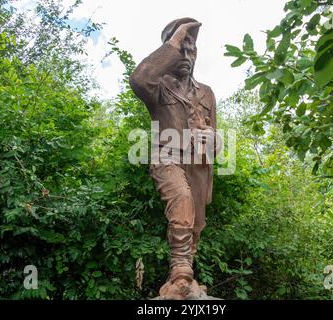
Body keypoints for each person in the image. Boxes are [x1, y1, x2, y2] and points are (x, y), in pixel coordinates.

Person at [129, 17, 221, 299]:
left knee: (195, 223)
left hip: (198, 163)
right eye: (179, 48)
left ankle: (184, 279)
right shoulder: (158, 86)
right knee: (180, 200)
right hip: (166, 156)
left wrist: (213, 140)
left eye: (190, 48)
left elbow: (215, 138)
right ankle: (181, 270)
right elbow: (139, 79)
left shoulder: (206, 92)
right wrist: (176, 38)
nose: (185, 54)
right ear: (168, 52)